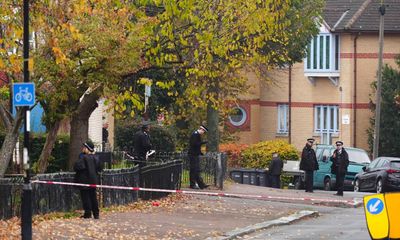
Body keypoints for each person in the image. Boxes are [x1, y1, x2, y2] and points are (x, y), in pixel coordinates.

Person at [74, 141, 103, 219]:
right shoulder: (96, 157)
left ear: (87, 149)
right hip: (93, 180)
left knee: (85, 197)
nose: (82, 148)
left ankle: (88, 213)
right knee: (93, 196)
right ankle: (96, 213)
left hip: (84, 180)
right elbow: (100, 168)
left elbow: (77, 167)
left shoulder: (83, 157)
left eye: (84, 147)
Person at [188, 125, 209, 189]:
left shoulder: (197, 135)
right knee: (194, 170)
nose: (203, 133)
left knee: (195, 170)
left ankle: (200, 184)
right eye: (203, 132)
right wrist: (203, 142)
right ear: (201, 129)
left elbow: (197, 146)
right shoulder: (195, 134)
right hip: (193, 155)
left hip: (195, 154)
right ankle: (194, 184)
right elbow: (194, 144)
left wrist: (200, 152)